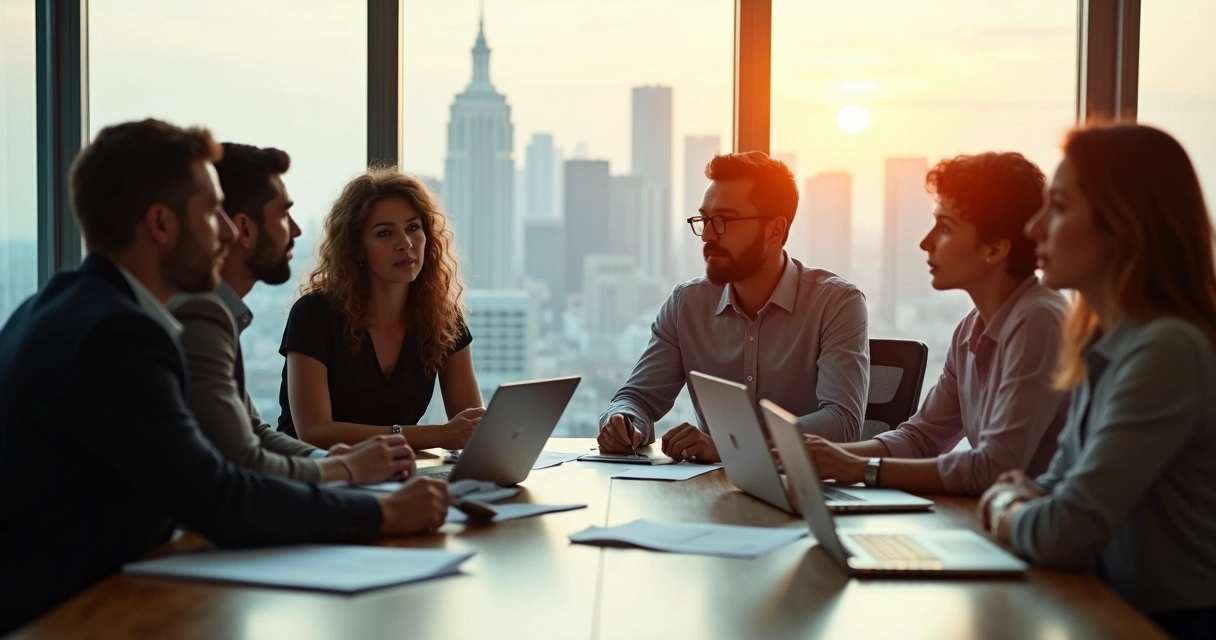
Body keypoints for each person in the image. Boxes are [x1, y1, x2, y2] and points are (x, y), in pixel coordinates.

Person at [0, 120, 450, 634]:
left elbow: (225, 460)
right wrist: (381, 516)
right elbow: (220, 496)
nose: (227, 231)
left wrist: (340, 472)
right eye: (211, 212)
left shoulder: (62, 307)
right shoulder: (118, 335)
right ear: (161, 225)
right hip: (65, 614)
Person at [979, 123, 1216, 639]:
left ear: (1123, 225)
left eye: (1059, 207)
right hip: (1104, 608)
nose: (1034, 228)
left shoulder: (1166, 350)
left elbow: (1065, 528)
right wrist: (1029, 503)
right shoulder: (1101, 344)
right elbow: (1053, 487)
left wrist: (1002, 505)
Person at [800, 152, 1069, 496]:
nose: (925, 242)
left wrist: (857, 468)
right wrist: (823, 457)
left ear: (996, 249)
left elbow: (994, 468)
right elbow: (922, 438)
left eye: (945, 228)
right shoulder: (970, 329)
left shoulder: (1039, 320)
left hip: (1035, 534)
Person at [598, 151, 869, 463]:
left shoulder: (836, 304)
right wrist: (623, 421)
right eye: (705, 219)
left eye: (723, 221)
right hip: (712, 491)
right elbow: (638, 398)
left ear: (775, 231)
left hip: (805, 493)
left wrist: (735, 445)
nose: (709, 235)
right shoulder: (686, 304)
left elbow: (842, 424)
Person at [168, 143, 409, 484]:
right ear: (244, 229)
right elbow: (243, 460)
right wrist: (348, 472)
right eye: (283, 214)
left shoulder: (219, 310)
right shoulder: (201, 314)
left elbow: (254, 432)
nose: (296, 230)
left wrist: (327, 459)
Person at [277, 167, 484, 450]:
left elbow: (469, 424)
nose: (405, 244)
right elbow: (314, 432)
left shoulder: (442, 317)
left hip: (392, 477)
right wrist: (437, 436)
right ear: (357, 248)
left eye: (413, 227)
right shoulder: (315, 314)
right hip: (311, 478)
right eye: (385, 233)